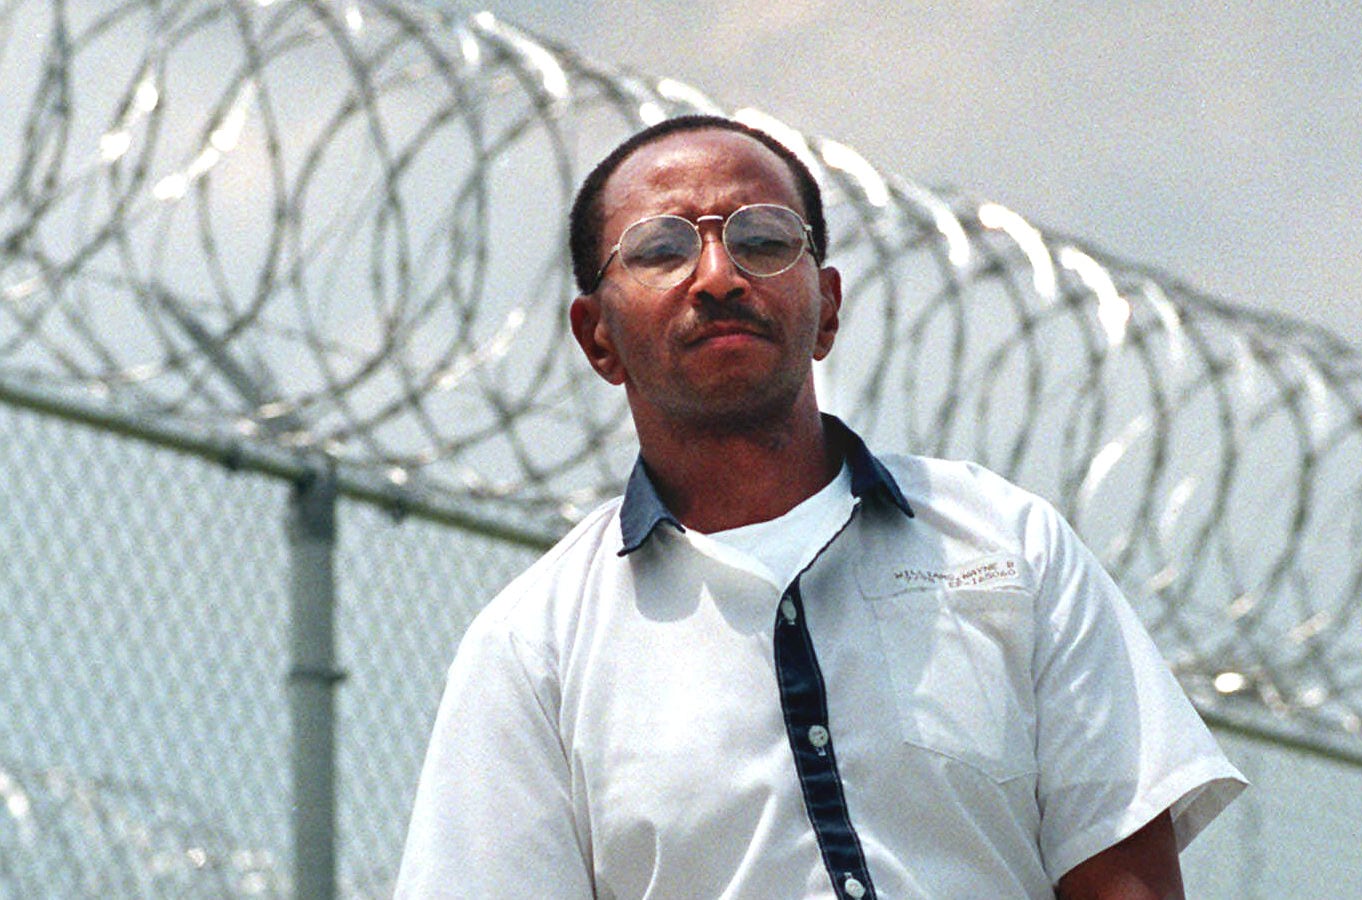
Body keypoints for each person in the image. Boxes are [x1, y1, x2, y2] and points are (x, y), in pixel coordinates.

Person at [396, 114, 1245, 899]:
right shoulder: (535, 648)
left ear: (827, 306)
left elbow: (1124, 880)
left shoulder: (1005, 545)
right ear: (598, 338)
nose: (719, 277)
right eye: (660, 251)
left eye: (762, 240)